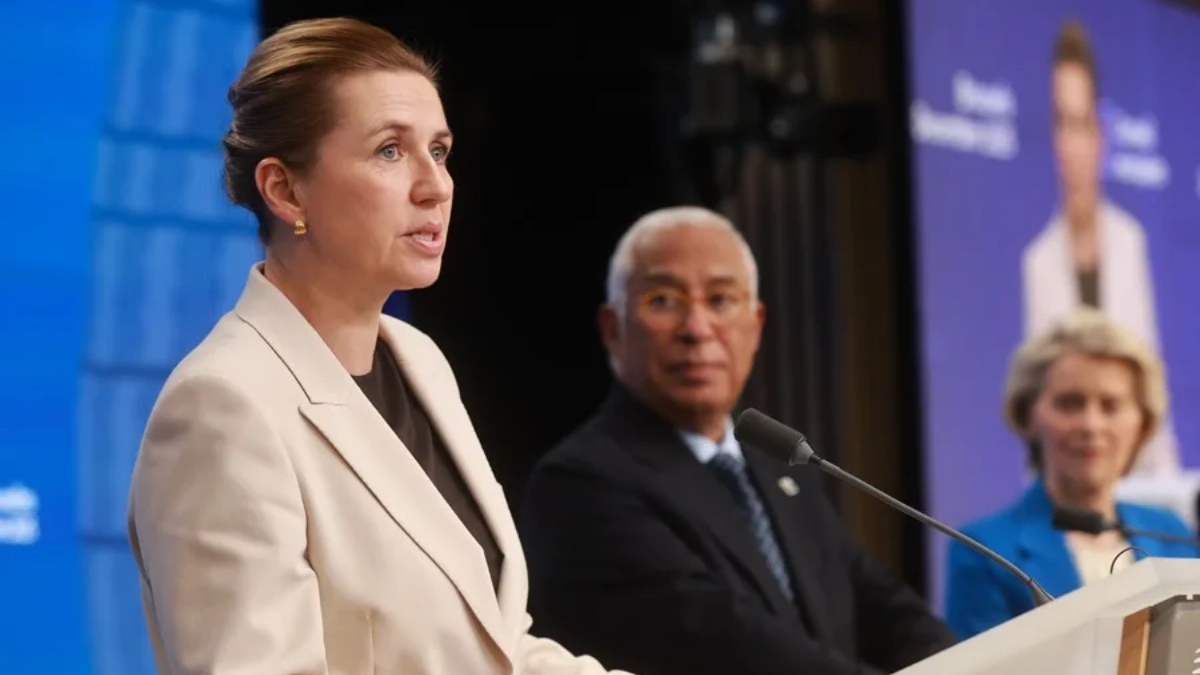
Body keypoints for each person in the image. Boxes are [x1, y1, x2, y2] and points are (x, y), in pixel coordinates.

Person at [126, 17, 634, 675]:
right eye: (390, 150)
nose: (435, 185)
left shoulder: (419, 359)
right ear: (284, 189)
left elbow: (494, 645)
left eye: (440, 150)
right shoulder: (222, 406)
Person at [518, 206, 958, 675]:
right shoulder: (580, 483)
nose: (697, 329)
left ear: (756, 324)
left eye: (721, 299)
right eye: (663, 300)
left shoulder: (780, 465)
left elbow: (879, 606)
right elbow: (729, 646)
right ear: (613, 328)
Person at [944, 308, 1198, 640]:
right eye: (1069, 404)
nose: (1091, 425)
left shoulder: (1174, 536)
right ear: (1028, 415)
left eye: (1110, 405)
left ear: (1143, 423)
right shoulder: (984, 550)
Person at [1020, 19, 1179, 476]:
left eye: (1082, 123)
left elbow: (1151, 393)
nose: (1072, 145)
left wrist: (1173, 502)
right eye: (1062, 124)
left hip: (1140, 486)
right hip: (1064, 495)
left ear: (1101, 136)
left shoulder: (1130, 242)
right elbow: (1037, 416)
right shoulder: (1037, 261)